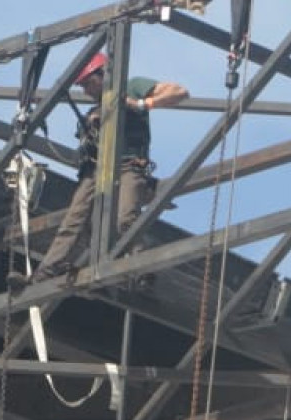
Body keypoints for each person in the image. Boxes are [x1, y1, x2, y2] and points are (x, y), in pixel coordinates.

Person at [30, 52, 187, 282]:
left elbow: (179, 92)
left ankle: (140, 267)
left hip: (128, 166)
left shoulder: (132, 87)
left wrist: (141, 104)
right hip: (96, 171)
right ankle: (46, 271)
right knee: (73, 221)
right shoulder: (93, 111)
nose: (86, 91)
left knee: (125, 219)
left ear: (103, 74)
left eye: (88, 83)